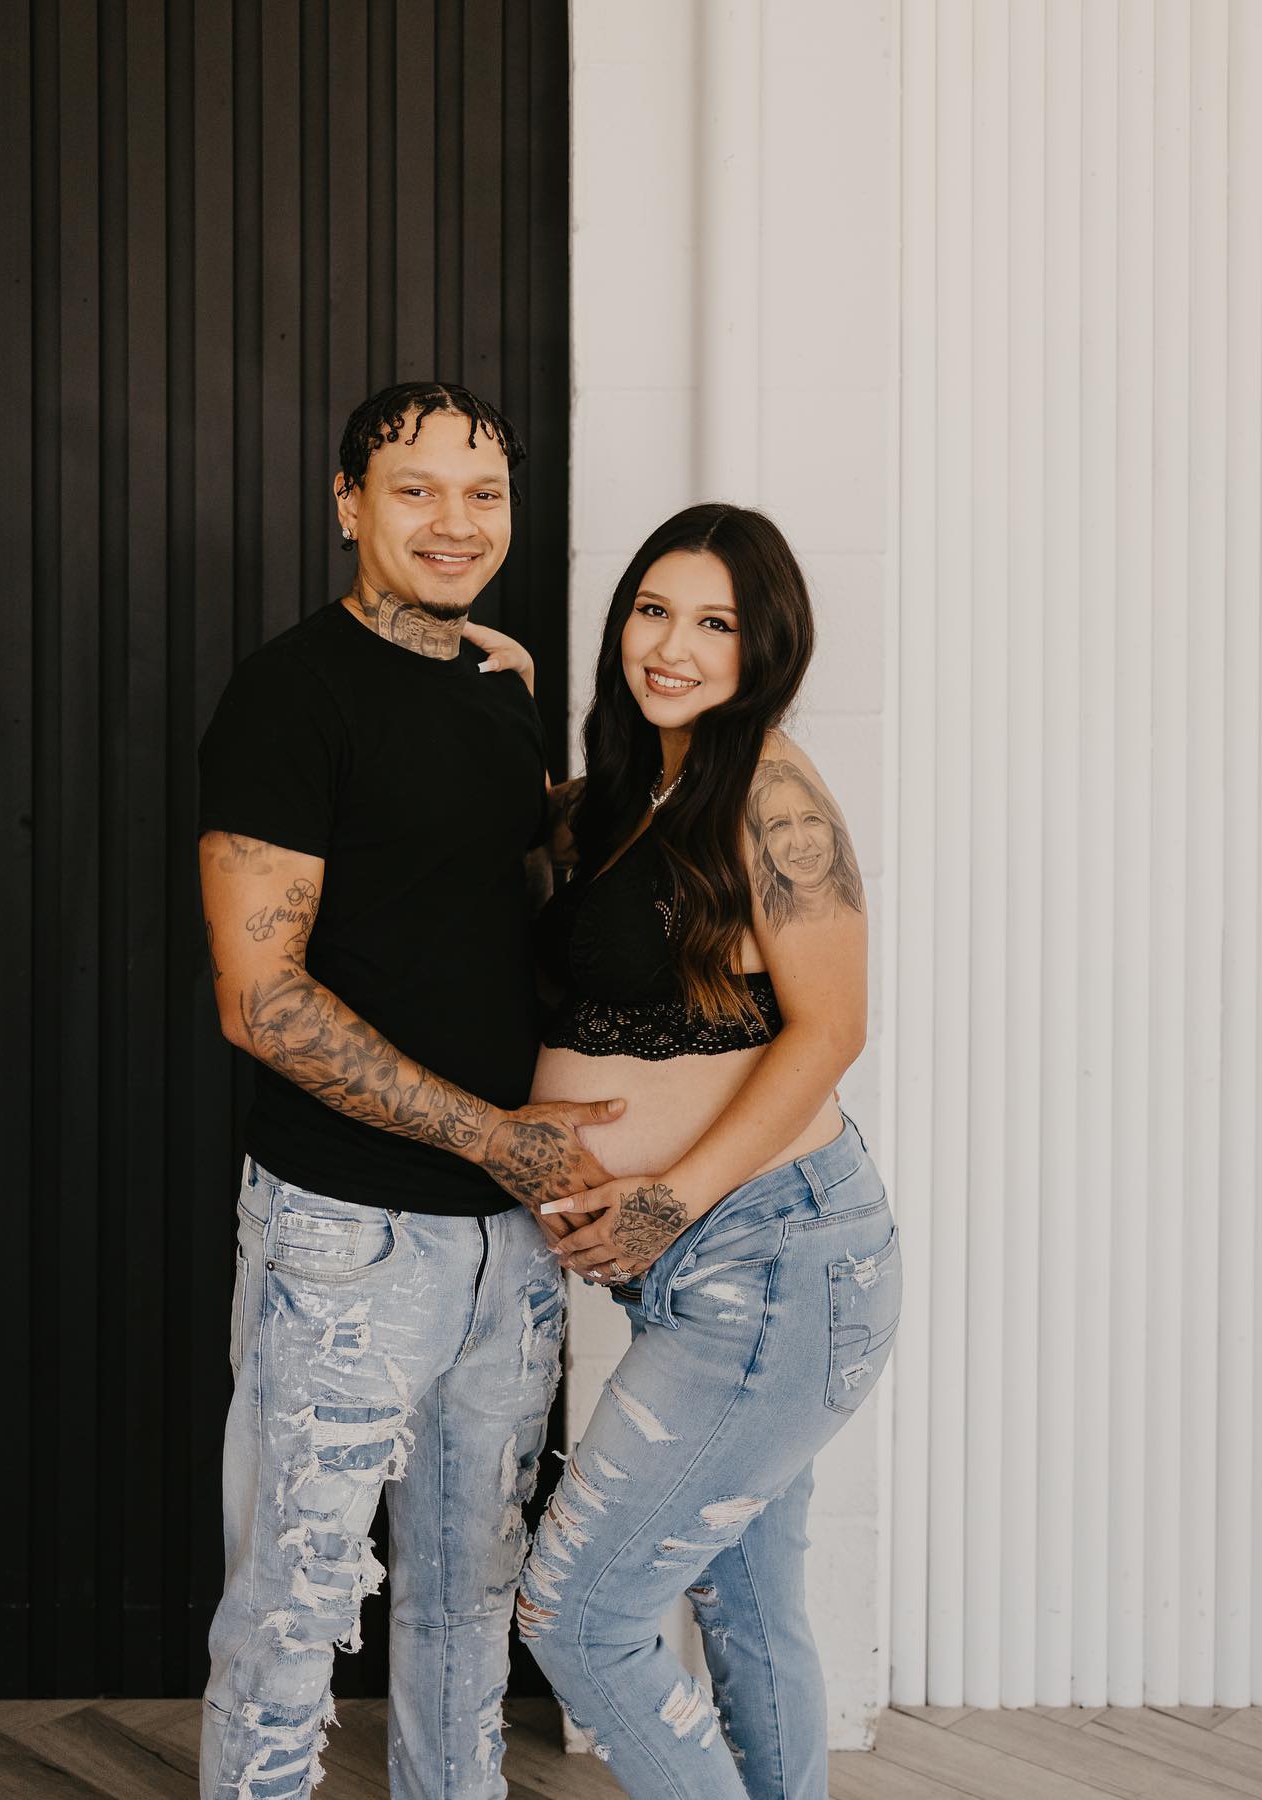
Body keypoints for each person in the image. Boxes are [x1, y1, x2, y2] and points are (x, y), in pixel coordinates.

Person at [195, 381, 615, 1800]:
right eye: (415, 489)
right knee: (293, 1612)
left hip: (515, 1240)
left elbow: (494, 910)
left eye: (482, 493)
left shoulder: (495, 691)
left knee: (467, 1612)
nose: (454, 521)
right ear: (347, 505)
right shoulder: (289, 693)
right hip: (348, 1232)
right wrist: (500, 1138)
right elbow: (264, 1000)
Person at [514, 502, 901, 1799]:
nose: (673, 645)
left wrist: (668, 1198)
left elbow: (831, 1027)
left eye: (715, 623)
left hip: (773, 1264)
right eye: (652, 610)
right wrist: (497, 711)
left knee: (576, 1618)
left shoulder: (773, 794)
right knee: (746, 1602)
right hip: (713, 1276)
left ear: (766, 645)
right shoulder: (632, 793)